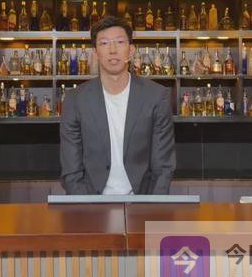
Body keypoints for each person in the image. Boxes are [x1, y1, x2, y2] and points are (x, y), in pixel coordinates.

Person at [60, 15, 176, 194]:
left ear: (131, 50)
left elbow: (163, 168)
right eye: (104, 43)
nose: (112, 50)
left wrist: (150, 206)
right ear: (95, 53)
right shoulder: (75, 99)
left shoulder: (156, 96)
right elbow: (71, 171)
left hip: (141, 201)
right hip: (92, 203)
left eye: (120, 42)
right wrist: (87, 207)